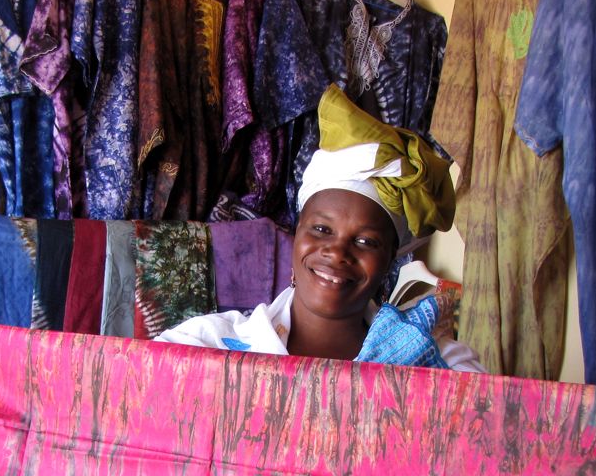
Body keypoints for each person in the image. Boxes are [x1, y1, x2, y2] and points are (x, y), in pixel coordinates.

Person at [155, 85, 484, 372]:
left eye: (366, 241)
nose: (338, 252)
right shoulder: (202, 347)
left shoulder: (441, 368)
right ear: (297, 235)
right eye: (322, 230)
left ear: (388, 262)